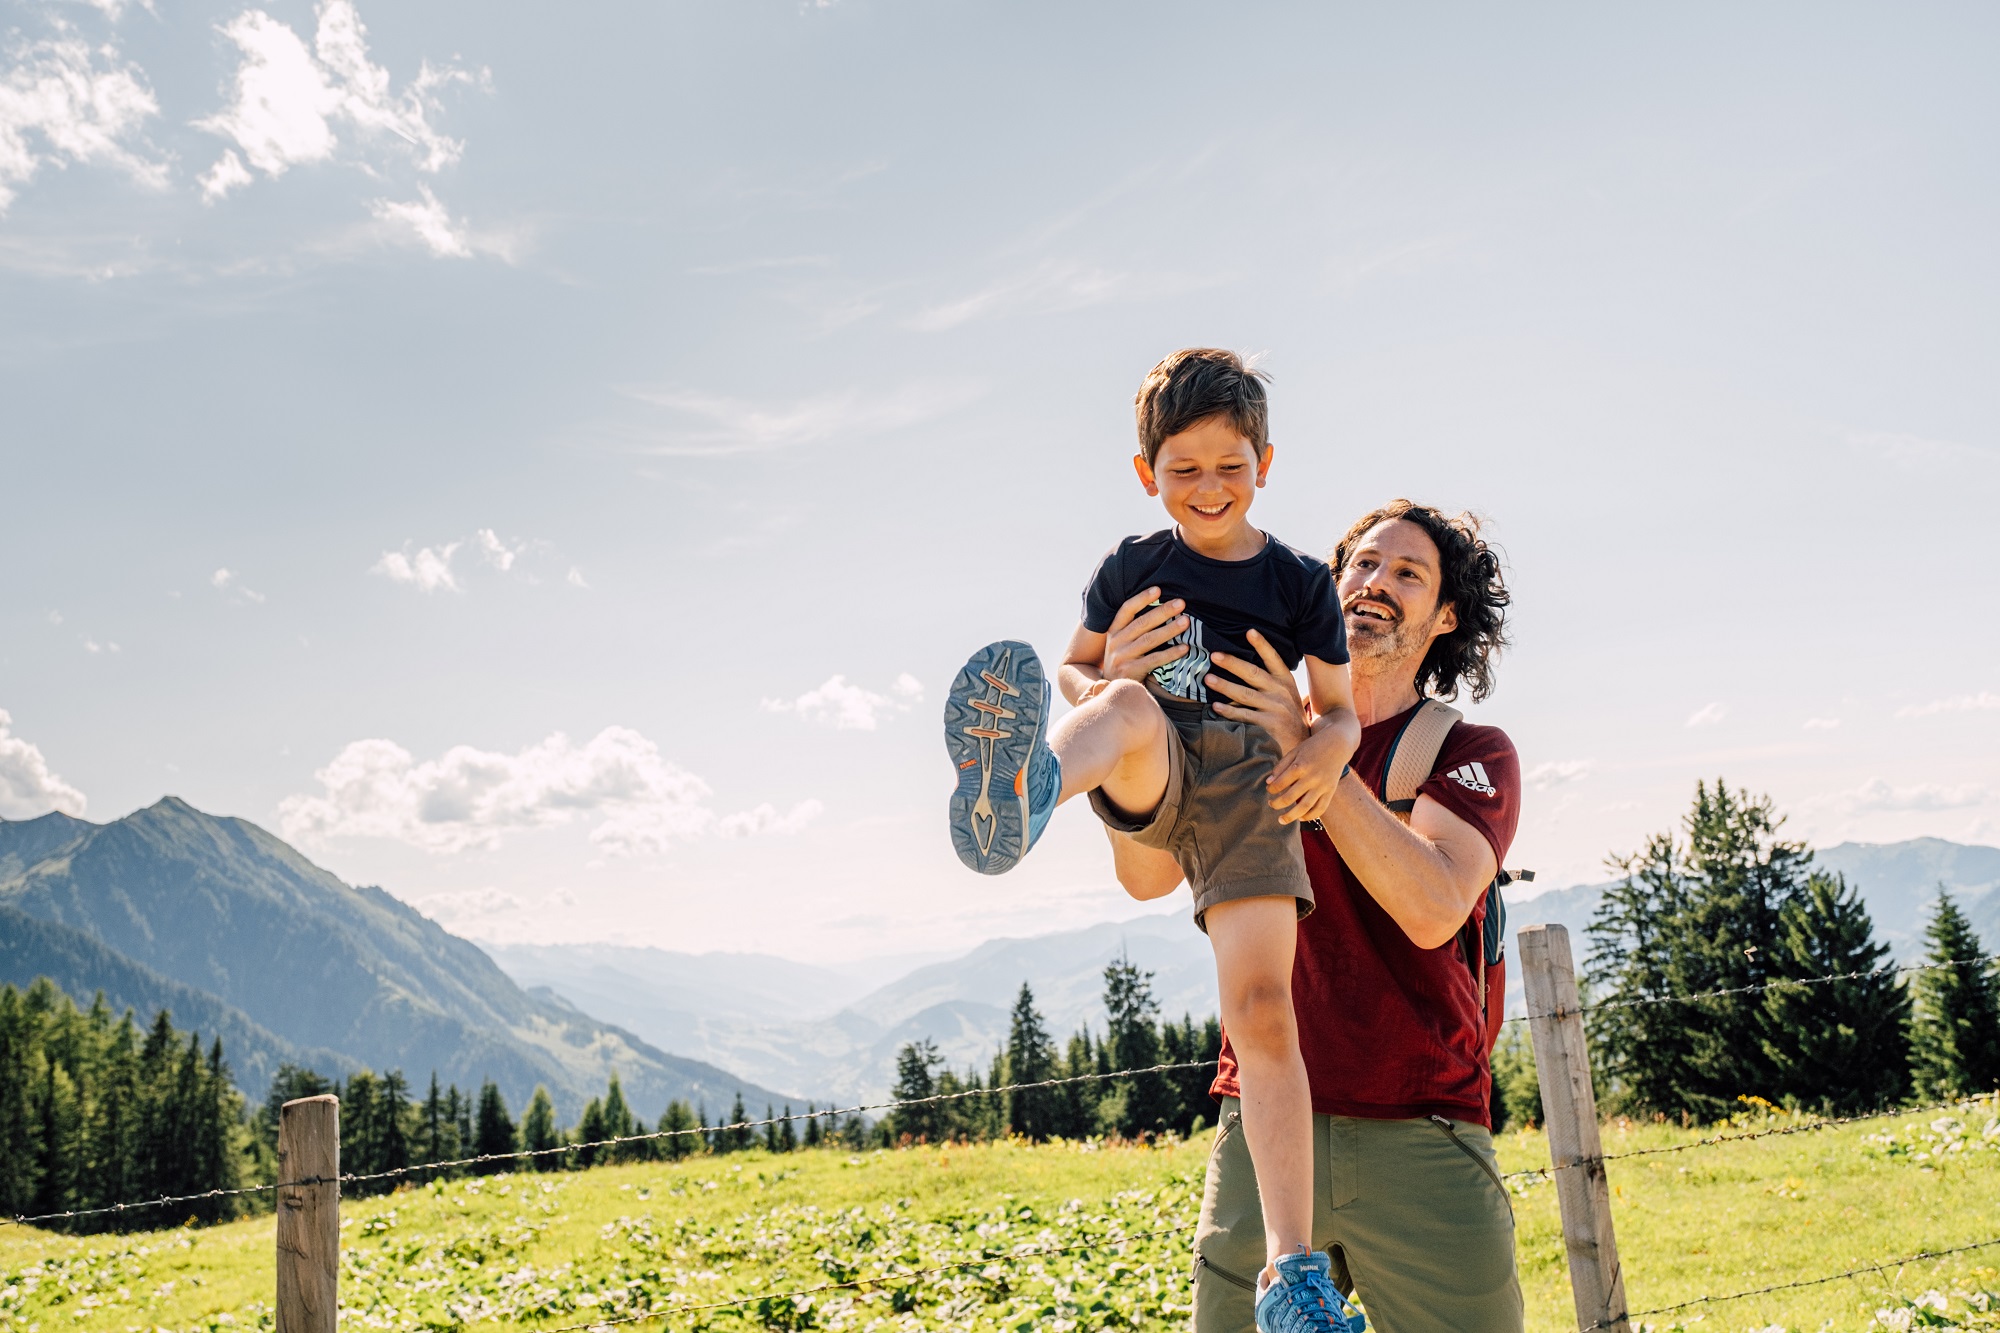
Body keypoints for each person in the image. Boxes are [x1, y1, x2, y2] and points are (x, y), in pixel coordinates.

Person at [942, 348, 1365, 1332]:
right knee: (1125, 703)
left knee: (1263, 1012)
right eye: (1184, 468)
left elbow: (1339, 710)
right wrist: (1098, 680)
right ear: (1146, 473)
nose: (1208, 486)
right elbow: (1074, 669)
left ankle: (1293, 1276)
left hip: (1253, 787)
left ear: (1265, 463)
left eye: (1229, 465)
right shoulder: (1130, 566)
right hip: (1154, 757)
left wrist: (1326, 750)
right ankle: (1025, 789)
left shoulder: (1302, 582)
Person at [1108, 500, 1525, 1333]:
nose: (1375, 583)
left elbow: (1434, 906)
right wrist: (1129, 720)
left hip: (1424, 1134)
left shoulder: (1468, 752)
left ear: (1447, 616)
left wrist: (1310, 754)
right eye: (1362, 564)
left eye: (1408, 573)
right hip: (1263, 1135)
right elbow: (1146, 876)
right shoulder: (1239, 722)